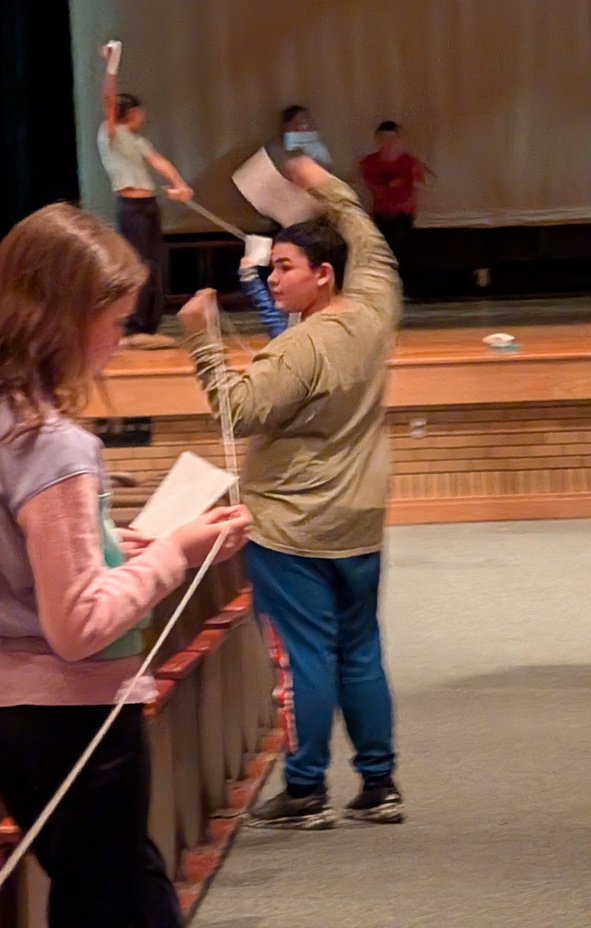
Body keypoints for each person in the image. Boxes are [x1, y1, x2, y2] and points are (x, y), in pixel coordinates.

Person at [0, 201, 251, 928]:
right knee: (117, 899)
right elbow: (78, 627)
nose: (121, 341)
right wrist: (176, 551)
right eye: (115, 322)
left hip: (2, 720)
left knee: (93, 892)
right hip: (75, 718)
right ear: (61, 320)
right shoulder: (55, 444)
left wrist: (101, 544)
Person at [179, 155, 403, 830]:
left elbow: (236, 411)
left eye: (284, 267)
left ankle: (305, 790)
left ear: (322, 274)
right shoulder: (376, 308)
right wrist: (325, 187)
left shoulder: (301, 348)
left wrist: (202, 339)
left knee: (304, 656)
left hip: (291, 525)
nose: (271, 277)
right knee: (359, 650)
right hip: (358, 519)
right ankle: (379, 784)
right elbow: (365, 234)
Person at [97, 41, 193, 349]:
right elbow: (108, 98)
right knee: (137, 264)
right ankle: (134, 326)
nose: (143, 116)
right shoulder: (110, 133)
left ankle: (149, 327)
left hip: (149, 204)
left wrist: (180, 185)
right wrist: (113, 62)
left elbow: (158, 162)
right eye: (140, 112)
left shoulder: (137, 141)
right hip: (131, 207)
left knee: (154, 265)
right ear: (131, 112)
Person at [359, 120, 428, 284]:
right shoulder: (370, 162)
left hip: (403, 214)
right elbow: (366, 186)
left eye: (391, 139)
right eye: (383, 139)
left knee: (402, 251)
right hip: (380, 213)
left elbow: (423, 184)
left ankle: (402, 284)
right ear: (377, 140)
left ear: (398, 141)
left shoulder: (409, 162)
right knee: (382, 252)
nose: (387, 143)